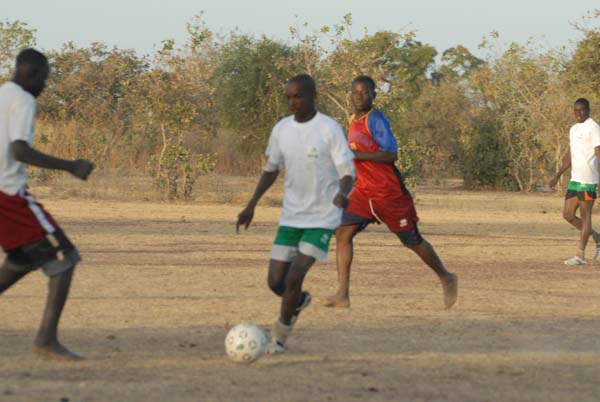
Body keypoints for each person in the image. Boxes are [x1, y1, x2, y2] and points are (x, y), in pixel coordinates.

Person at [236, 74, 355, 354]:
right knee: (275, 281)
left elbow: (347, 171)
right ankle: (298, 300)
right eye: (288, 97)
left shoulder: (328, 128)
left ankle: (279, 336)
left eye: (298, 96)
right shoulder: (281, 130)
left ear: (314, 94)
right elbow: (272, 168)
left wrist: (343, 193)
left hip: (323, 217)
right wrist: (251, 204)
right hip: (291, 217)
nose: (292, 102)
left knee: (293, 277)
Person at [318, 75, 457, 309]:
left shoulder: (377, 120)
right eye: (355, 92)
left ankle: (446, 276)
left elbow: (391, 154)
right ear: (350, 95)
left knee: (412, 241)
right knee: (342, 233)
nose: (359, 96)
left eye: (365, 92)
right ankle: (342, 295)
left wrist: (355, 155)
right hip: (363, 193)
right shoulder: (353, 120)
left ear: (374, 95)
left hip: (388, 194)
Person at [0, 49, 94, 360]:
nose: (44, 85)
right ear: (33, 74)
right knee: (64, 256)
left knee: (21, 261)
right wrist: (70, 166)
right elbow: (19, 151)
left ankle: (46, 339)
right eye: (44, 78)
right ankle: (46, 340)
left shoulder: (2, 94)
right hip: (9, 195)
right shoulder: (24, 100)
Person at [549, 98, 600, 265]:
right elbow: (569, 156)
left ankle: (580, 256)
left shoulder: (594, 128)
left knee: (586, 218)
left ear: (588, 110)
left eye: (581, 110)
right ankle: (597, 237)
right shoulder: (573, 129)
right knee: (568, 214)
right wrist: (557, 175)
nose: (578, 114)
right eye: (575, 111)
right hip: (575, 180)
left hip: (589, 180)